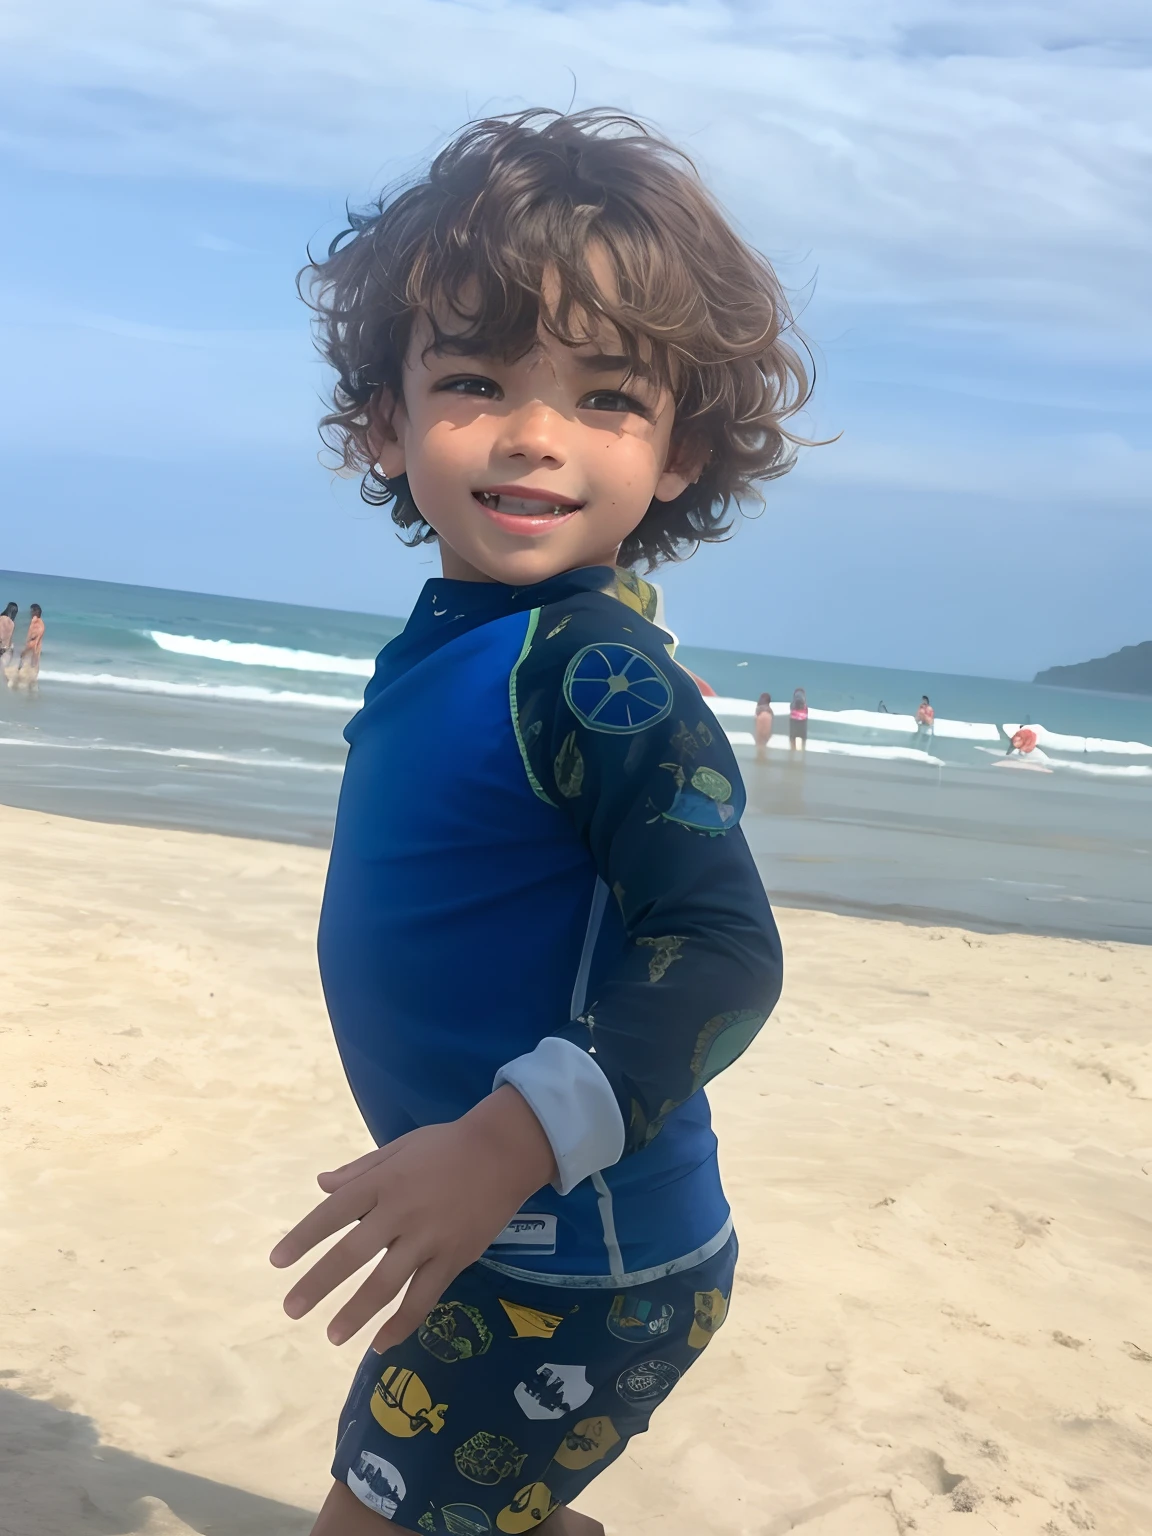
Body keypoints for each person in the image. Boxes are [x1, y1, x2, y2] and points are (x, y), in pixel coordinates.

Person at [271, 109, 810, 1536]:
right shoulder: (457, 642)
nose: (532, 435)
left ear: (680, 450)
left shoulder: (597, 672)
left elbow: (719, 953)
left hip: (575, 1249)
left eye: (607, 398)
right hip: (497, 1225)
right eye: (474, 379)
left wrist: (506, 1142)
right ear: (385, 422)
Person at [15, 603, 43, 690]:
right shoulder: (41, 622)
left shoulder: (35, 622)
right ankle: (33, 688)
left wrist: (25, 648)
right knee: (34, 667)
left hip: (31, 648)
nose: (30, 613)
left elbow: (32, 637)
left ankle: (20, 684)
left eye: (31, 611)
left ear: (35, 612)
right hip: (37, 649)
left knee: (23, 664)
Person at [0, 602, 17, 684]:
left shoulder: (1, 618)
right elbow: (9, 638)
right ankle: (8, 684)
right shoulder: (12, 623)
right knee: (3, 669)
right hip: (7, 648)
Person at [754, 692, 774, 761]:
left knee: (759, 739)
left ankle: (759, 756)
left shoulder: (759, 706)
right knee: (765, 738)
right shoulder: (769, 708)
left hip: (760, 716)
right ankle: (763, 756)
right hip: (768, 716)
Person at [789, 686, 808, 750]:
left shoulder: (792, 704)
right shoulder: (805, 705)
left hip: (794, 722)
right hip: (802, 722)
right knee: (803, 738)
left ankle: (792, 750)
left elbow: (791, 709)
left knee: (792, 737)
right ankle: (803, 749)